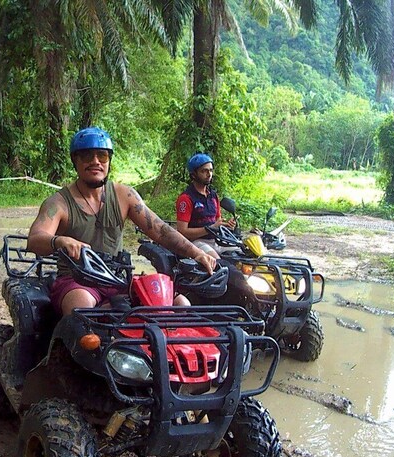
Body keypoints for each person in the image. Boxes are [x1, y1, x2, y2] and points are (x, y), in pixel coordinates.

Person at [28, 127, 217, 316]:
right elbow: (35, 239)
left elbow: (160, 230)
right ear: (75, 161)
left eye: (102, 156)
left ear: (109, 161)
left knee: (179, 303)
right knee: (82, 306)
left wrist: (197, 253)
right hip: (77, 280)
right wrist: (59, 241)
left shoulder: (124, 195)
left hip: (118, 278)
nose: (95, 162)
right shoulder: (59, 203)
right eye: (87, 156)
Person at [174, 153, 237, 259]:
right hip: (195, 243)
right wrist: (209, 229)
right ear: (193, 174)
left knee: (242, 255)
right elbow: (182, 231)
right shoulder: (186, 198)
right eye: (204, 171)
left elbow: (217, 221)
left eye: (211, 170)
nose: (209, 174)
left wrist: (226, 225)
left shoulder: (213, 196)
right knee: (218, 263)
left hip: (216, 240)